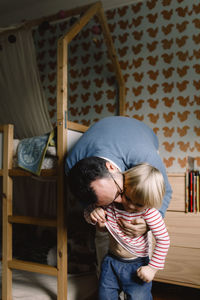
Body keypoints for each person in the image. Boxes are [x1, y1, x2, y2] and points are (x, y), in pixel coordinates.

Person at [65, 116, 172, 270]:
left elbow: (166, 191)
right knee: (103, 224)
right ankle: (106, 279)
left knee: (141, 213)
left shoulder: (143, 155)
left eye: (120, 193)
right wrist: (95, 211)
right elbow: (86, 201)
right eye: (110, 201)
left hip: (138, 138)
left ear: (112, 167)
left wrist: (149, 224)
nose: (124, 204)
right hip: (104, 141)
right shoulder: (70, 167)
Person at [84, 163, 170, 300]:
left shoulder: (150, 213)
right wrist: (94, 214)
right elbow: (88, 213)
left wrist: (152, 268)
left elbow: (164, 240)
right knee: (105, 296)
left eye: (139, 205)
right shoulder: (111, 203)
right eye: (128, 198)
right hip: (111, 261)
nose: (130, 206)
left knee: (139, 297)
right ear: (124, 187)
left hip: (137, 265)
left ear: (149, 203)